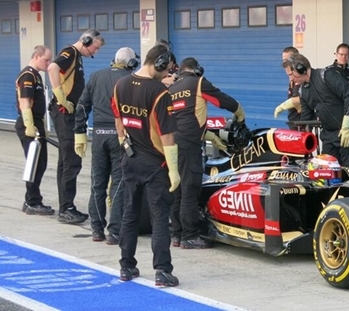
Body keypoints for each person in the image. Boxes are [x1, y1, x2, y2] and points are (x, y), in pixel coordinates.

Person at [112, 45, 180, 287]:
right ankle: (162, 271)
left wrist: (126, 145)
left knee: (129, 213)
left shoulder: (120, 85)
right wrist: (174, 169)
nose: (167, 74)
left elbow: (119, 122)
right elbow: (167, 136)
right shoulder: (160, 93)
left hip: (129, 159)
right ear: (160, 63)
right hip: (155, 163)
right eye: (167, 69)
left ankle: (126, 267)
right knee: (160, 216)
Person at [168, 57, 245, 249]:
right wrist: (239, 112)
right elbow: (222, 100)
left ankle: (176, 234)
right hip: (189, 145)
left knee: (177, 189)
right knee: (190, 188)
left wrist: (209, 135)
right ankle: (189, 236)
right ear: (197, 70)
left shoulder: (172, 89)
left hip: (171, 143)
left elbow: (184, 117)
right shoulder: (199, 83)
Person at [73, 47, 138, 244]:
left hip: (99, 135)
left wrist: (80, 133)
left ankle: (97, 230)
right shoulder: (131, 80)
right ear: (131, 64)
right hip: (121, 135)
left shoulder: (95, 77)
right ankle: (115, 232)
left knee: (97, 184)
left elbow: (82, 106)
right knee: (118, 184)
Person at [47, 29, 104, 224]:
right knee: (71, 160)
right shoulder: (70, 53)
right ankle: (66, 208)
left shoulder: (77, 57)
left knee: (66, 160)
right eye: (94, 47)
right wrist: (61, 97)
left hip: (68, 113)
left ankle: (66, 206)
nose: (94, 53)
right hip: (64, 113)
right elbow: (52, 68)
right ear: (87, 40)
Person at [282, 53, 349, 178]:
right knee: (327, 173)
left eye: (291, 74)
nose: (291, 79)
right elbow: (306, 118)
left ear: (301, 69)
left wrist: (347, 125)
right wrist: (299, 139)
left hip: (347, 131)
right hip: (328, 135)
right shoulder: (302, 91)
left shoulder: (326, 75)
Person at [15, 45, 55, 216]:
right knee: (35, 164)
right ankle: (33, 202)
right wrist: (29, 125)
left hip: (36, 122)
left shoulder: (36, 76)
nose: (49, 63)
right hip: (28, 123)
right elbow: (25, 101)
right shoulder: (28, 75)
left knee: (40, 163)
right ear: (37, 56)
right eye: (46, 59)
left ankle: (30, 200)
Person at [274, 46, 301, 129]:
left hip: (301, 124)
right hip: (292, 122)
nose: (284, 63)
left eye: (287, 60)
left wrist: (282, 107)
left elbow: (298, 101)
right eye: (283, 61)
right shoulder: (291, 80)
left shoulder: (301, 77)